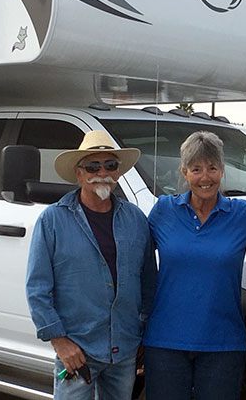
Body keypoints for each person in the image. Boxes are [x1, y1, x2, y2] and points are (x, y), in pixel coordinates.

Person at [26, 130, 157, 400]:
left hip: (124, 350)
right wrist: (60, 342)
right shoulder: (52, 221)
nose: (102, 172)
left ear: (118, 172)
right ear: (79, 173)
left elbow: (148, 284)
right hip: (76, 352)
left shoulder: (136, 220)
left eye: (110, 165)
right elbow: (37, 288)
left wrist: (142, 334)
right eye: (92, 166)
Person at [142, 131, 246, 400]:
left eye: (212, 168)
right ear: (184, 172)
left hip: (223, 345)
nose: (205, 177)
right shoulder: (164, 210)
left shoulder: (242, 214)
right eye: (196, 169)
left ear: (222, 170)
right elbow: (132, 261)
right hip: (164, 343)